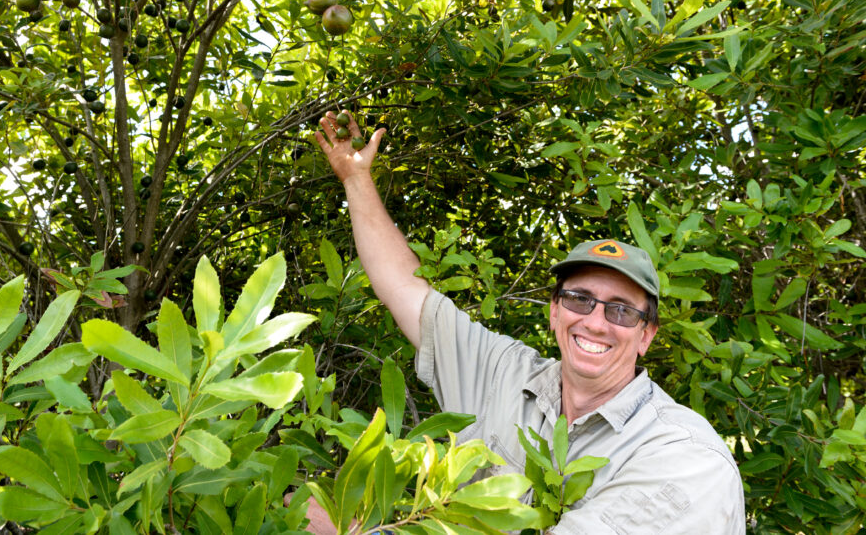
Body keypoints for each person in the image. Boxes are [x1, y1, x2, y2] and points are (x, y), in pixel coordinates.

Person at [305, 110, 746, 534]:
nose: (595, 322)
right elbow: (404, 288)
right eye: (579, 299)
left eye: (621, 310)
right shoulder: (503, 375)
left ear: (646, 334)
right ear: (554, 310)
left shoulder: (685, 455)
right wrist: (356, 177)